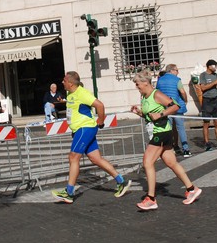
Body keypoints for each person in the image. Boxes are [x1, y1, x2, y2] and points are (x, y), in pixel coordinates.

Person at [51, 71, 131, 204]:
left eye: (64, 80)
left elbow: (100, 105)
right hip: (80, 130)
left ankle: (69, 193)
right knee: (95, 158)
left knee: (73, 157)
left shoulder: (82, 93)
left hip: (85, 129)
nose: (62, 82)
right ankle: (121, 182)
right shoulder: (70, 93)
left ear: (70, 83)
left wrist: (101, 120)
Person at [130, 71, 202, 210]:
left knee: (147, 162)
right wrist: (139, 112)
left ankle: (151, 198)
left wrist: (161, 114)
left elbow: (175, 106)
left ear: (146, 82)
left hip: (161, 133)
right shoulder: (144, 97)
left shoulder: (156, 94)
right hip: (162, 132)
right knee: (171, 162)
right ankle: (192, 189)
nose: (136, 87)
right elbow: (150, 116)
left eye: (137, 84)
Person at [156, 64, 191, 157]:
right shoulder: (177, 80)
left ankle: (170, 149)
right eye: (176, 70)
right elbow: (182, 92)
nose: (177, 72)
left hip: (166, 108)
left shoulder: (160, 80)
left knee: (169, 129)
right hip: (176, 106)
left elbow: (157, 93)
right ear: (171, 70)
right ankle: (186, 149)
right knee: (181, 128)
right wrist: (185, 100)